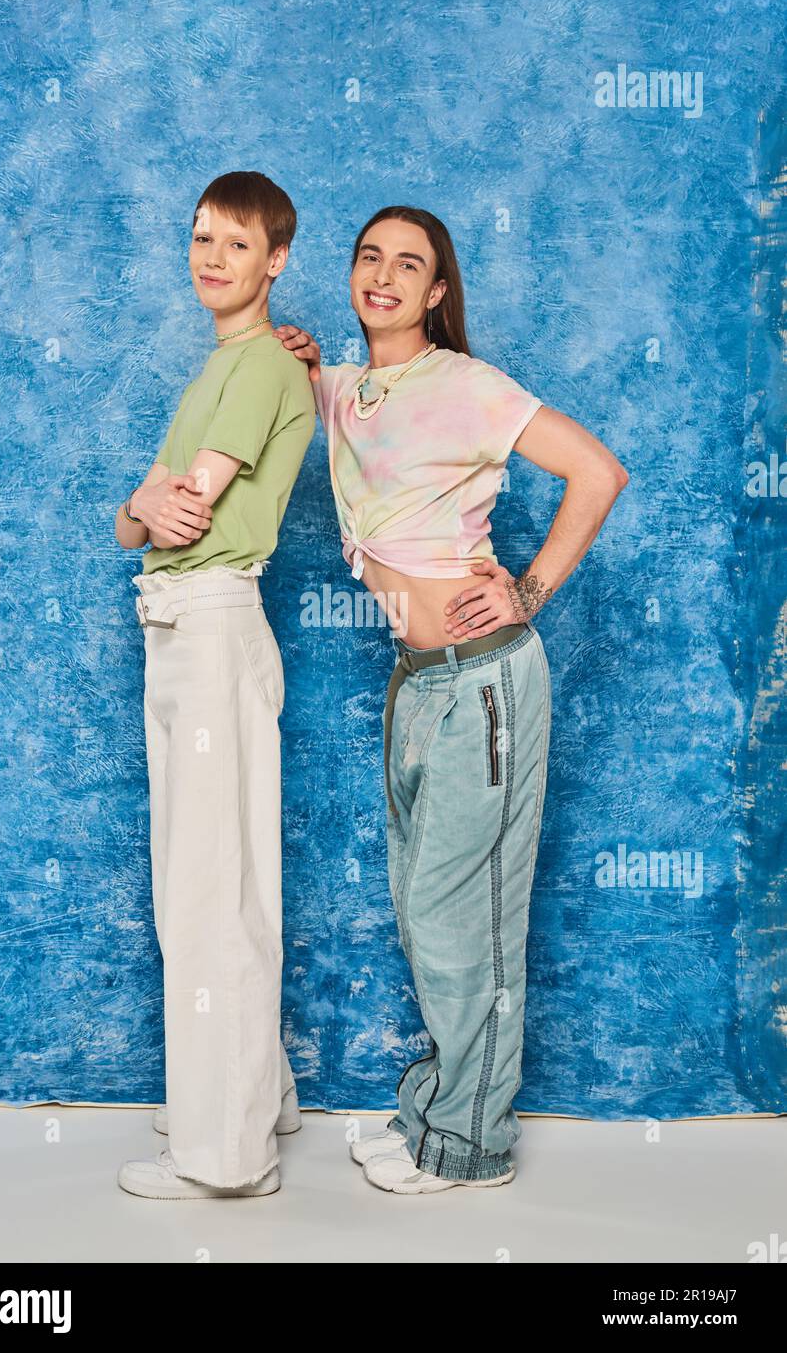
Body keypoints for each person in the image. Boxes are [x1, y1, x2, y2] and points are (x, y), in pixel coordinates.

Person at [275, 205, 629, 1195]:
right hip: (416, 685)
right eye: (369, 257)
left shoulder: (468, 385)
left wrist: (528, 588)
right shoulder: (344, 390)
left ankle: (471, 1146)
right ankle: (436, 1112)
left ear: (437, 292)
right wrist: (291, 352)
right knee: (426, 909)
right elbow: (286, 385)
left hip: (487, 686)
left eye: (410, 265)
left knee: (461, 915)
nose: (384, 275)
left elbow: (598, 472)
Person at [114, 171, 315, 1199]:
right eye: (200, 237)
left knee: (209, 892)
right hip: (184, 628)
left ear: (275, 260)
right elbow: (130, 522)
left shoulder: (259, 371)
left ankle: (224, 1156)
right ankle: (249, 1095)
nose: (211, 257)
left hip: (209, 622)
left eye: (235, 244)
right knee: (215, 881)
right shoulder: (226, 365)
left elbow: (178, 511)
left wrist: (151, 500)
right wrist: (143, 502)